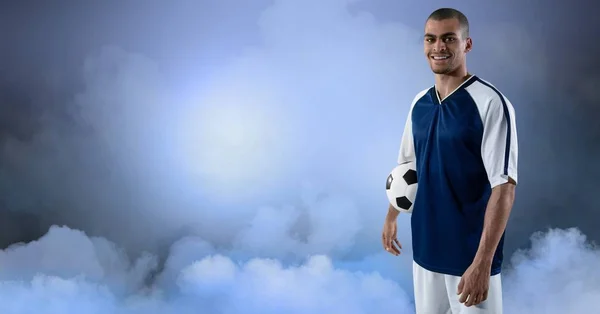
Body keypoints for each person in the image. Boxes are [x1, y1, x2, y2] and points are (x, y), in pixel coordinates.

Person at [381, 8, 518, 314]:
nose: (438, 47)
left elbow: (504, 187)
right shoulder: (419, 102)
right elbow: (407, 167)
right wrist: (392, 216)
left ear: (466, 44)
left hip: (469, 258)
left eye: (448, 39)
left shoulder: (490, 103)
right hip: (426, 252)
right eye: (431, 39)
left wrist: (482, 264)